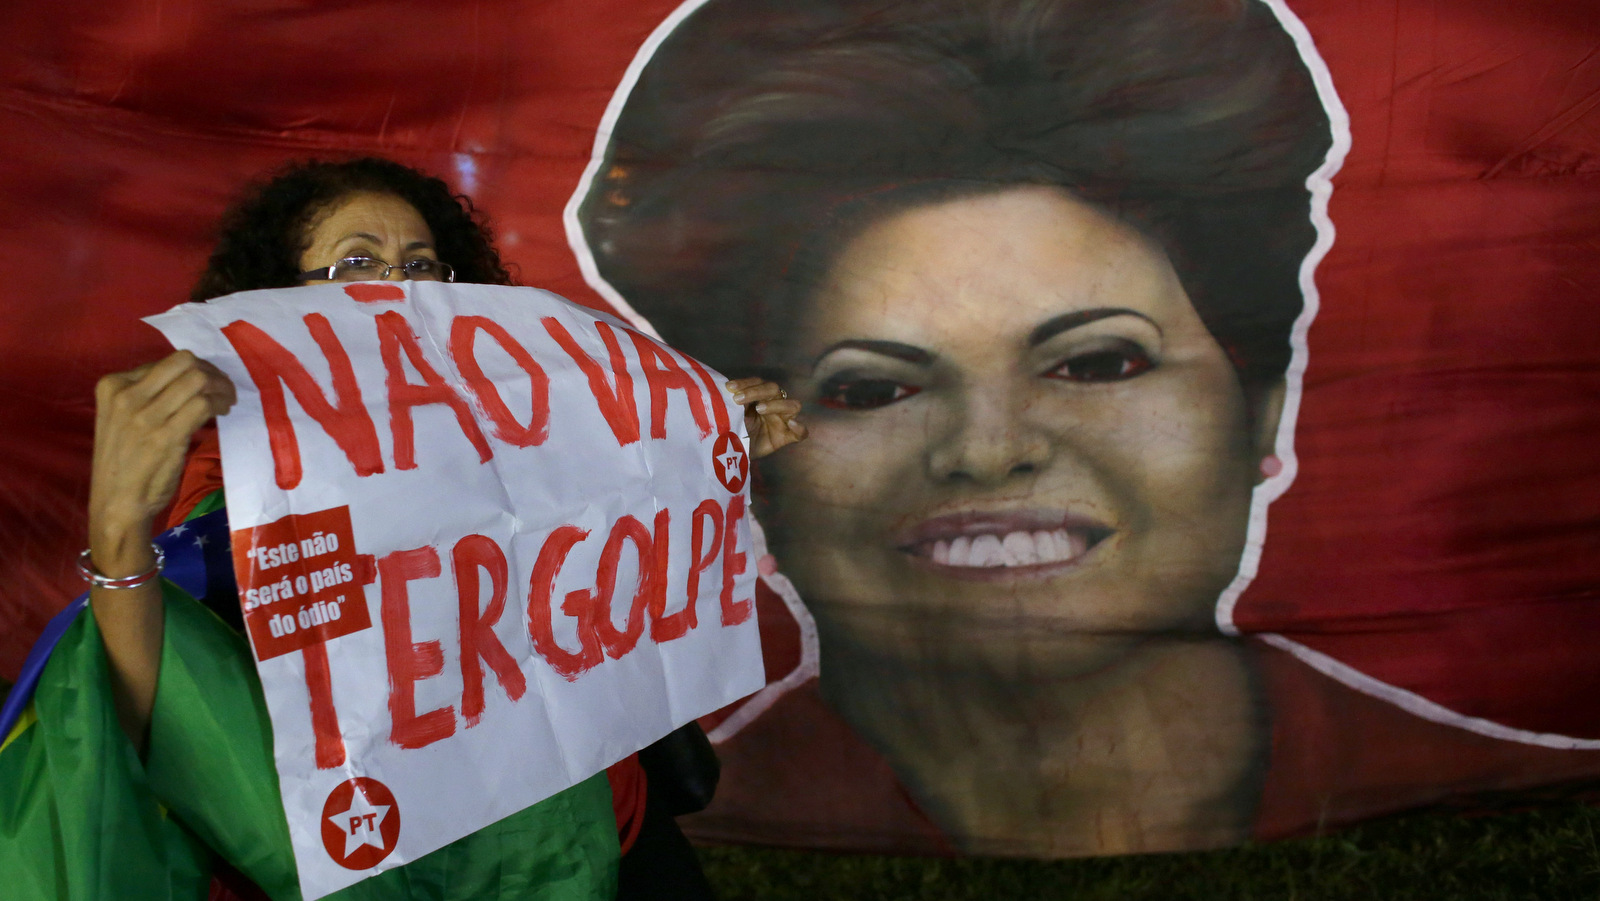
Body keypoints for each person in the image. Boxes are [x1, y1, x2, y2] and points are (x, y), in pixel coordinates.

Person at [575, 0, 1600, 857]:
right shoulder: (690, 803)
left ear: (1258, 414)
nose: (986, 448)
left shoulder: (1438, 772)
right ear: (756, 463)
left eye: (1097, 363)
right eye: (870, 389)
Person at [8, 157, 804, 899]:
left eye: (421, 263)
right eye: (356, 261)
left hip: (606, 817)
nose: (396, 285)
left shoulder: (528, 422)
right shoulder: (244, 462)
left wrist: (705, 457)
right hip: (422, 862)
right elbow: (169, 688)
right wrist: (117, 535)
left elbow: (612, 572)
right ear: (275, 299)